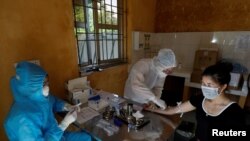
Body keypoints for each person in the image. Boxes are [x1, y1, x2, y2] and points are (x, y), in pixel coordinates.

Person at [145, 62, 247, 141]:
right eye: (203, 83)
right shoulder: (200, 99)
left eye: (209, 85)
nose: (204, 88)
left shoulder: (234, 113)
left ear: (223, 86)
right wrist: (153, 109)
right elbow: (174, 110)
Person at [4, 61, 100, 141]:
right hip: (52, 136)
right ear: (30, 88)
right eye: (43, 83)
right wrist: (64, 124)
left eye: (47, 82)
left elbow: (52, 101)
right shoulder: (22, 120)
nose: (47, 86)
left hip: (57, 135)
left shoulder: (38, 97)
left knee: (86, 138)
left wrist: (67, 106)